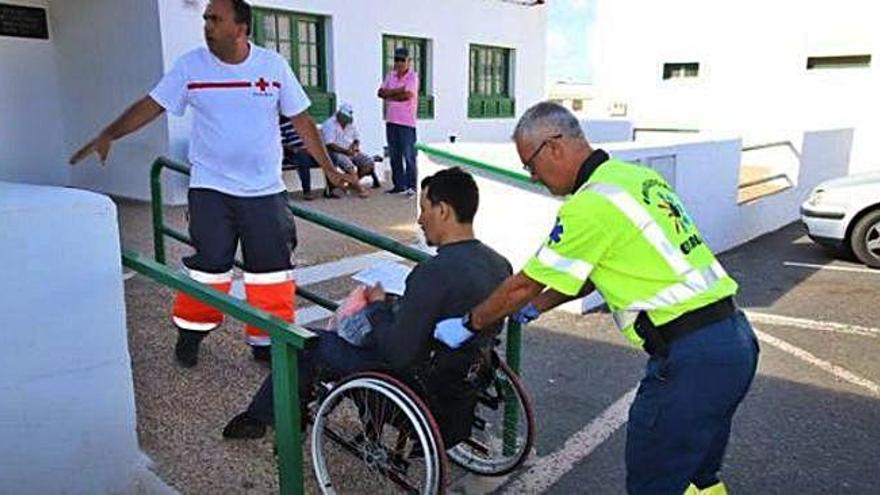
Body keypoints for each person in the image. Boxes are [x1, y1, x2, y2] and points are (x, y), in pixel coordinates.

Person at [434, 102, 760, 495]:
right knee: (696, 478)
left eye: (531, 167)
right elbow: (591, 274)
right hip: (733, 342)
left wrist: (470, 322)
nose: (535, 177)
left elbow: (523, 284)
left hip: (690, 359)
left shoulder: (590, 204)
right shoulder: (635, 179)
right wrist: (539, 307)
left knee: (652, 482)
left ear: (553, 146)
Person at [69, 0, 358, 367]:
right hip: (211, 189)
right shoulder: (191, 65)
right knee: (208, 268)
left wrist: (330, 170)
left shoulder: (273, 66)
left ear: (241, 28)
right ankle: (190, 333)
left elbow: (301, 120)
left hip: (265, 191)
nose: (206, 25)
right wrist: (110, 132)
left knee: (271, 273)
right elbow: (152, 104)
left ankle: (267, 342)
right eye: (205, 18)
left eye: (215, 19)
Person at [223, 167, 513, 446]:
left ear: (443, 211)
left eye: (424, 209)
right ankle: (285, 411)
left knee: (300, 342)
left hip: (411, 381)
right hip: (462, 375)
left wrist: (377, 307)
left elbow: (396, 353)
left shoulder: (432, 273)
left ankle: (263, 418)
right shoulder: (500, 265)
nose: (421, 220)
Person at [377, 47, 419, 196]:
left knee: (409, 156)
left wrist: (390, 94)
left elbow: (407, 95)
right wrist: (397, 91)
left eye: (402, 60)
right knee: (394, 155)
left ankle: (412, 186)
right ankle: (398, 185)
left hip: (407, 123)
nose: (399, 63)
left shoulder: (412, 77)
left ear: (409, 61)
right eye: (396, 59)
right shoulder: (391, 75)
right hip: (391, 121)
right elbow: (380, 92)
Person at [321, 103, 382, 195]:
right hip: (336, 152)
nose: (347, 121)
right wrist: (346, 151)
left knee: (368, 162)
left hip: (350, 150)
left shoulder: (350, 123)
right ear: (339, 115)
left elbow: (356, 139)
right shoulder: (329, 124)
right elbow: (330, 144)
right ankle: (360, 189)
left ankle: (351, 184)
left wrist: (355, 147)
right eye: (345, 119)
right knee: (350, 167)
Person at [279, 115, 319, 200]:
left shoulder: (302, 123)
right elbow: (282, 143)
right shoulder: (282, 124)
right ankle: (307, 192)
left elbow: (312, 138)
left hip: (309, 151)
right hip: (293, 153)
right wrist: (296, 149)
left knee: (332, 156)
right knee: (303, 159)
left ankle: (331, 190)